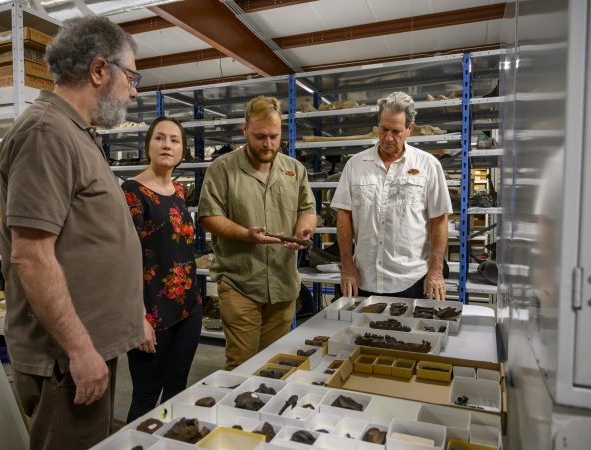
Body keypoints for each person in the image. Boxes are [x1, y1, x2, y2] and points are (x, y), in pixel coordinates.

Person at [0, 17, 145, 450]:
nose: (134, 90)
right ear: (100, 71)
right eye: (131, 75)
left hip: (87, 347)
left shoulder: (76, 132)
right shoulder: (47, 133)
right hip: (65, 358)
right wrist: (80, 350)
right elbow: (32, 256)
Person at [198, 95, 317, 370]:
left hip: (283, 283)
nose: (268, 144)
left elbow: (307, 208)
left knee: (273, 364)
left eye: (274, 137)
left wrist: (304, 228)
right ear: (244, 130)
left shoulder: (294, 169)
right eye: (260, 136)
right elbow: (208, 217)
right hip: (241, 282)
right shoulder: (222, 168)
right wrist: (245, 234)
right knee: (242, 364)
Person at [331, 91, 452, 300]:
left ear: (409, 129)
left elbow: (439, 219)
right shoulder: (355, 165)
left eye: (396, 131)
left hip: (411, 280)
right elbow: (344, 216)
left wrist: (436, 270)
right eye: (383, 129)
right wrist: (347, 267)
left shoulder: (428, 165)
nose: (388, 138)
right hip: (363, 278)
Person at [122, 117, 202, 422]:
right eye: (160, 138)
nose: (167, 145)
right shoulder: (132, 191)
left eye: (174, 140)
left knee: (177, 388)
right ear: (148, 146)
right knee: (146, 394)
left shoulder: (179, 191)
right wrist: (138, 317)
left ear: (182, 150)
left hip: (189, 307)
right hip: (152, 312)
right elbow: (126, 259)